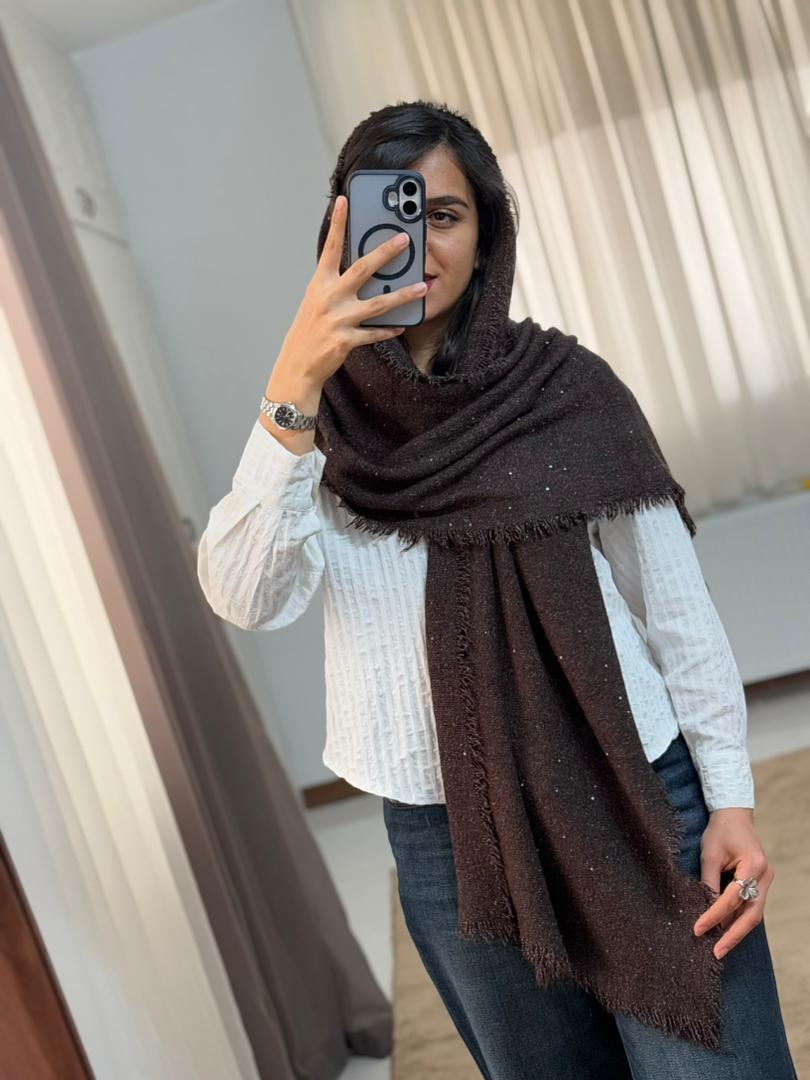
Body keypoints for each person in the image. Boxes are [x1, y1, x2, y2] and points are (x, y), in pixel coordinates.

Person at [197, 101, 797, 1078]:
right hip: (445, 837)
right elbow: (245, 597)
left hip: (633, 793)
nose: (418, 242)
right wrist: (293, 385)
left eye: (445, 214)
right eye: (393, 213)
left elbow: (675, 610)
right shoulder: (316, 427)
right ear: (340, 230)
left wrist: (729, 798)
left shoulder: (567, 389)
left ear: (488, 234)